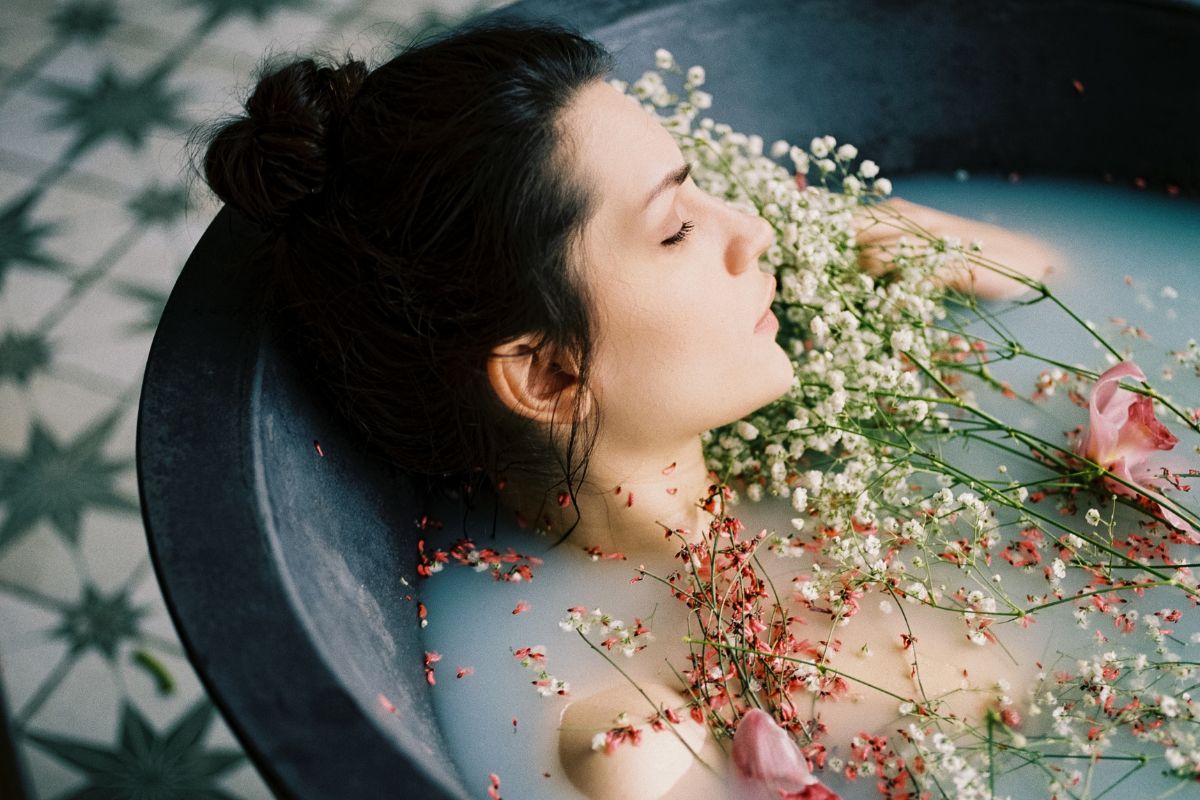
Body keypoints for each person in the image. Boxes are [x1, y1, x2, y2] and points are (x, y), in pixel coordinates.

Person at [198, 16, 1055, 799]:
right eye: (677, 227)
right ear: (548, 376)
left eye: (703, 190)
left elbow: (1053, 286)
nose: (754, 228)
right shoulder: (633, 726)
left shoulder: (840, 418)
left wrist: (907, 243)